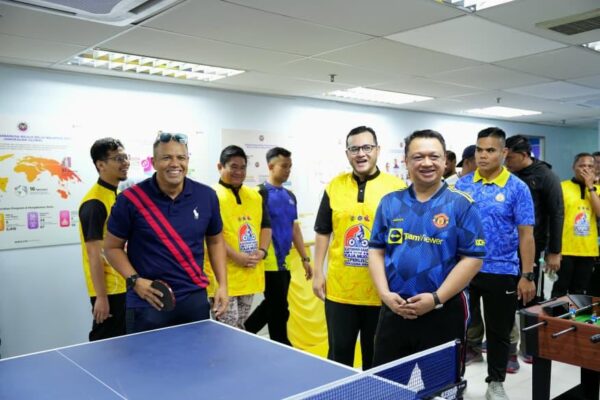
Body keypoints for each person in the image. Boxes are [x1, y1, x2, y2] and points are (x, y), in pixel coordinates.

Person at [368, 130, 485, 374]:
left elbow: (473, 259)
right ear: (406, 161)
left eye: (434, 156)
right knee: (386, 385)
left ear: (445, 160)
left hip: (443, 310)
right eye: (418, 157)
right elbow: (376, 250)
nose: (427, 163)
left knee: (442, 385)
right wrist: (385, 294)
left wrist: (436, 298)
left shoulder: (462, 204)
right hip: (395, 308)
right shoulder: (390, 202)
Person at [104, 132, 228, 333]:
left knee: (198, 354)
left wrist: (222, 285)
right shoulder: (130, 199)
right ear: (154, 162)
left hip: (194, 299)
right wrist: (135, 281)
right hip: (148, 301)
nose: (175, 163)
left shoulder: (206, 196)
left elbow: (215, 241)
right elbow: (111, 247)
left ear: (187, 161)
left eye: (181, 157)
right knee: (146, 355)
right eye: (166, 158)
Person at [313, 126, 406, 370]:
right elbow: (323, 231)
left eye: (367, 147)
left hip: (381, 291)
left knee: (376, 358)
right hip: (340, 291)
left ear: (377, 150)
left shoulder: (397, 188)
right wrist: (318, 272)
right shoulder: (334, 186)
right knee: (338, 356)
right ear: (347, 153)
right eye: (354, 149)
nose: (361, 154)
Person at [456, 127, 536, 400]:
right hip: (464, 269)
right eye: (479, 150)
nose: (483, 155)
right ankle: (454, 379)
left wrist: (527, 275)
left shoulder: (517, 188)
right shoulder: (462, 185)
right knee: (459, 329)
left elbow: (526, 235)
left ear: (504, 152)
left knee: (499, 331)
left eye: (490, 150)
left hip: (502, 270)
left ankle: (496, 382)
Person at [504, 134, 564, 368]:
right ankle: (509, 348)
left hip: (533, 246)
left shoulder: (546, 176)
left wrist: (554, 251)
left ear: (524, 155)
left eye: (510, 158)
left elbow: (557, 213)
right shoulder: (509, 175)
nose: (506, 162)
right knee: (508, 296)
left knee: (529, 298)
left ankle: (530, 346)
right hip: (508, 247)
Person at [245, 147, 312, 344]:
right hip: (267, 261)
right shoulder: (258, 194)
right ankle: (279, 341)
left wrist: (305, 258)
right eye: (284, 166)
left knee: (277, 307)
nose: (288, 170)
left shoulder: (290, 196)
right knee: (279, 307)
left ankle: (247, 332)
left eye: (290, 166)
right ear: (271, 166)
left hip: (285, 262)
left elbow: (294, 228)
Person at [205, 145, 272, 329]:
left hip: (248, 274)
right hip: (222, 277)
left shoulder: (255, 196)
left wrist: (262, 251)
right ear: (220, 167)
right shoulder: (210, 195)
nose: (239, 172)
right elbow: (211, 235)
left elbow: (266, 226)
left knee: (240, 325)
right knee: (226, 327)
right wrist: (236, 256)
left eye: (243, 167)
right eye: (233, 167)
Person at [78, 138, 129, 341]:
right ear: (101, 165)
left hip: (124, 284)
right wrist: (101, 297)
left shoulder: (116, 195)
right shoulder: (94, 204)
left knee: (125, 343)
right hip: (110, 290)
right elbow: (94, 254)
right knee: (106, 345)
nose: (125, 163)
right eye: (118, 159)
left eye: (125, 157)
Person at [552, 153, 600, 298]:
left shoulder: (597, 190)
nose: (586, 169)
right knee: (560, 291)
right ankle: (558, 314)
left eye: (590, 166)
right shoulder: (562, 187)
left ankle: (576, 314)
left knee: (580, 293)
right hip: (565, 249)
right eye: (582, 165)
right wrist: (553, 250)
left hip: (588, 250)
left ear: (595, 169)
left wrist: (590, 187)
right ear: (574, 167)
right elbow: (553, 218)